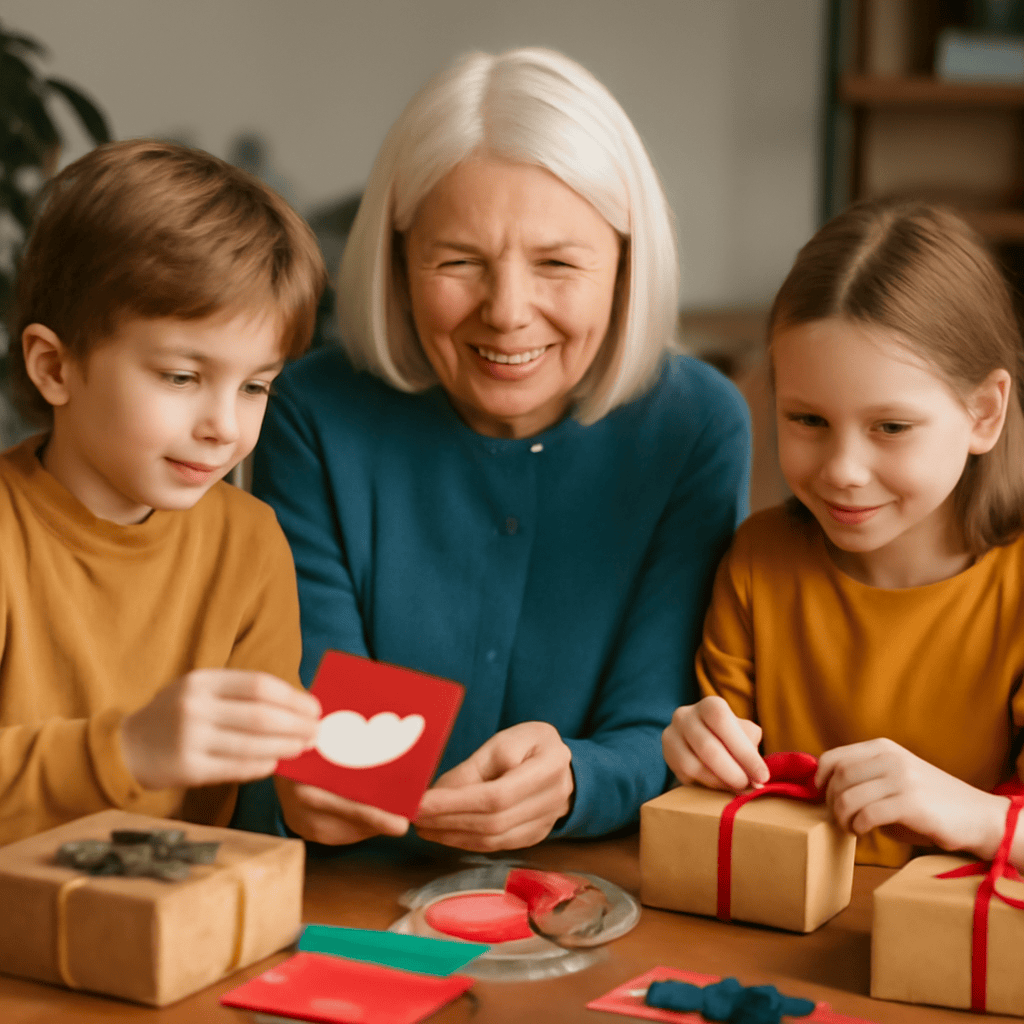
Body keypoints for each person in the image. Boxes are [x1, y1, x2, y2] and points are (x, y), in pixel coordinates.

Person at [245, 47, 751, 852]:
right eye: (459, 262)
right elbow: (326, 724)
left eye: (557, 263)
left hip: (601, 887)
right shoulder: (313, 412)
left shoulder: (695, 424)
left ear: (625, 265)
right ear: (398, 260)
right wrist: (307, 787)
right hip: (352, 884)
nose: (508, 311)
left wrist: (579, 779)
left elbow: (661, 720)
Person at [663, 199, 1024, 868]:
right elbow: (717, 807)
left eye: (891, 427)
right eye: (808, 420)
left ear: (984, 412)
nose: (843, 471)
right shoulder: (757, 561)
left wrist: (975, 815)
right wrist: (695, 750)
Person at [0, 139, 327, 844]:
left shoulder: (249, 541)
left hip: (183, 907)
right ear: (54, 368)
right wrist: (125, 751)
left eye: (255, 387)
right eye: (182, 377)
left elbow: (271, 780)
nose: (223, 427)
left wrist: (321, 792)